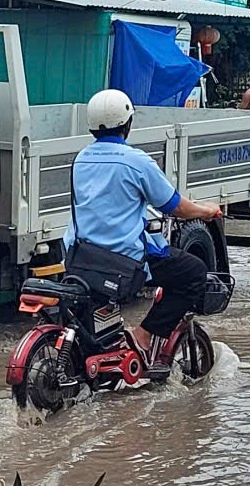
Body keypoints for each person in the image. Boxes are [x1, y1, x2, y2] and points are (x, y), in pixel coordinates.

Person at [67, 89, 225, 369]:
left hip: (79, 257)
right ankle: (142, 335)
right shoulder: (136, 161)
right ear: (128, 124)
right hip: (123, 261)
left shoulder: (81, 159)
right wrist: (207, 210)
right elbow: (176, 206)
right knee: (193, 271)